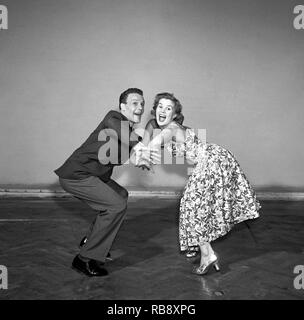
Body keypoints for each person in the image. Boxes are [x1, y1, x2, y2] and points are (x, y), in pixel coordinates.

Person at [140, 92, 261, 275]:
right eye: (160, 106)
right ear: (155, 109)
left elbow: (156, 141)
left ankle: (206, 253)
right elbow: (155, 138)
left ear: (174, 114)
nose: (163, 110)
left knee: (191, 205)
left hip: (211, 160)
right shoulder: (171, 128)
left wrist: (145, 152)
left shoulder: (172, 128)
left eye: (168, 108)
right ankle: (203, 250)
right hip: (215, 158)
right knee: (194, 206)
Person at [54, 88, 158, 277]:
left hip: (92, 176)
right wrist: (140, 146)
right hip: (76, 175)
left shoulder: (128, 131)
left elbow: (137, 145)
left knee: (120, 195)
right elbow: (128, 137)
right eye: (135, 103)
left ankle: (91, 242)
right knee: (115, 206)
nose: (140, 107)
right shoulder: (113, 118)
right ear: (122, 107)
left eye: (142, 104)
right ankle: (83, 259)